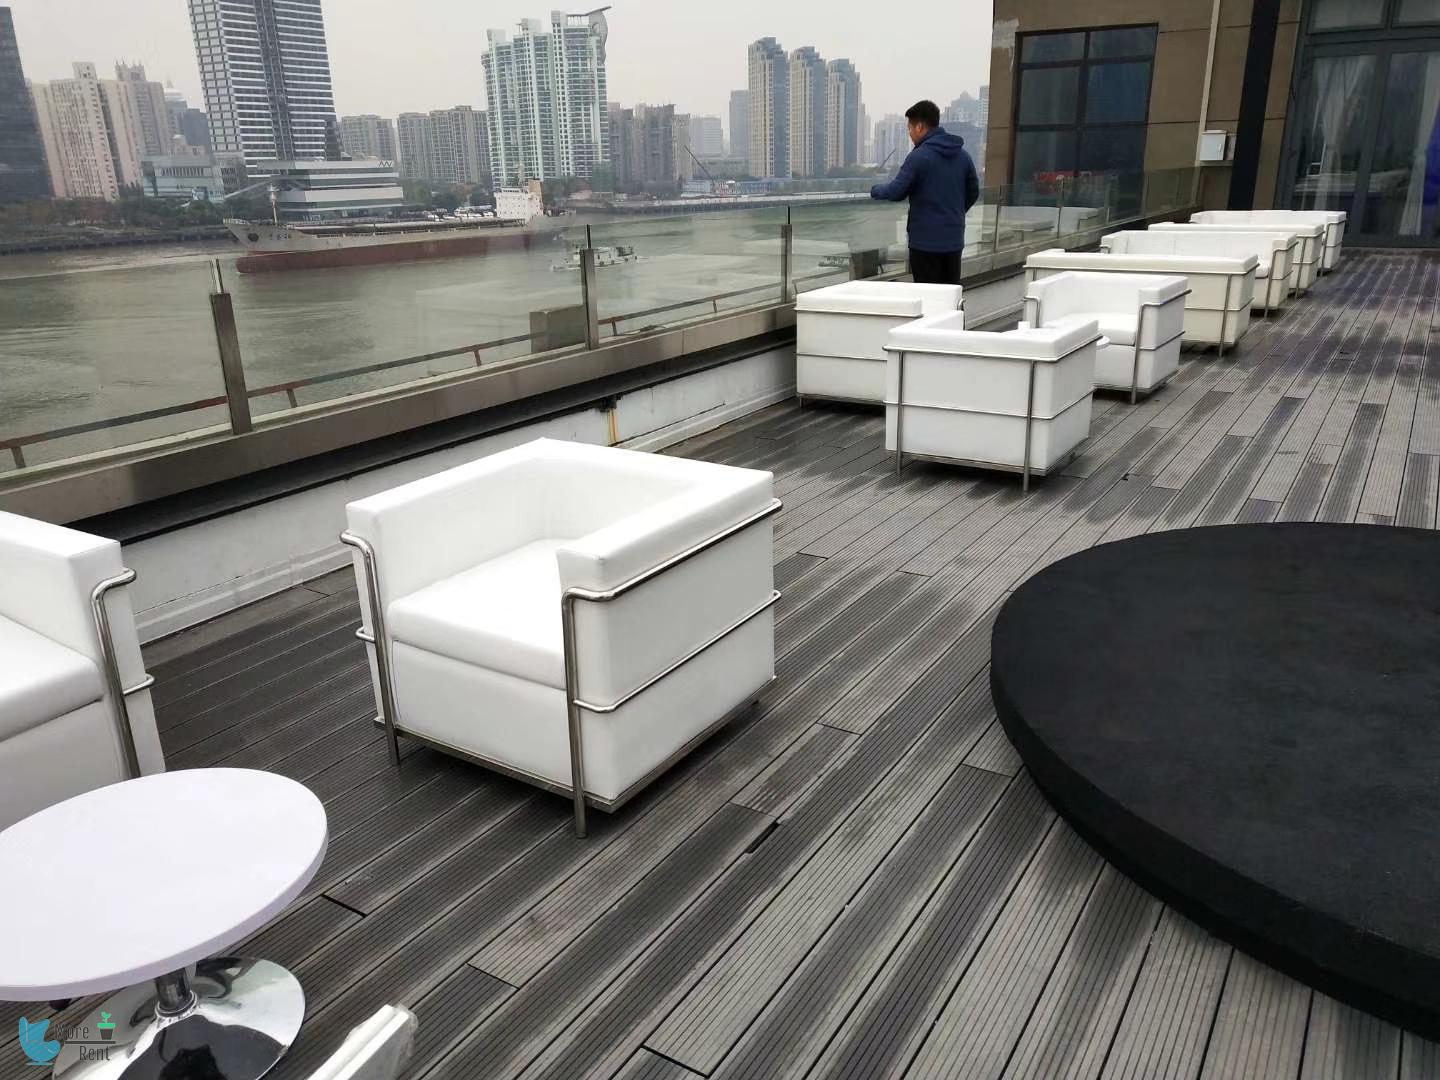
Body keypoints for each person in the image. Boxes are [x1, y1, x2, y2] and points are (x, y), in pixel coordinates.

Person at [870, 99, 980, 286]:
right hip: (954, 241)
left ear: (920, 126)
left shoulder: (919, 157)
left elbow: (897, 191)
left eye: (910, 129)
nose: (910, 134)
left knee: (928, 295)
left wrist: (874, 190)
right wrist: (955, 213)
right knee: (950, 294)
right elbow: (973, 192)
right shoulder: (963, 156)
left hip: (925, 244)